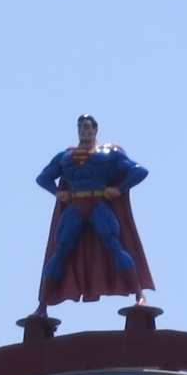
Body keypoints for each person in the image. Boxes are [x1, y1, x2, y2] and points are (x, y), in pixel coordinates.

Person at [32, 115, 154, 315]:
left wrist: (119, 189)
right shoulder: (65, 156)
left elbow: (139, 171)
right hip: (76, 204)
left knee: (114, 245)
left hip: (98, 204)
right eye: (81, 127)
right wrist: (56, 192)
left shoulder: (109, 153)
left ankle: (139, 295)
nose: (84, 131)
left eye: (88, 127)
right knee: (60, 250)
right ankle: (42, 306)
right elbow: (43, 177)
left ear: (95, 130)